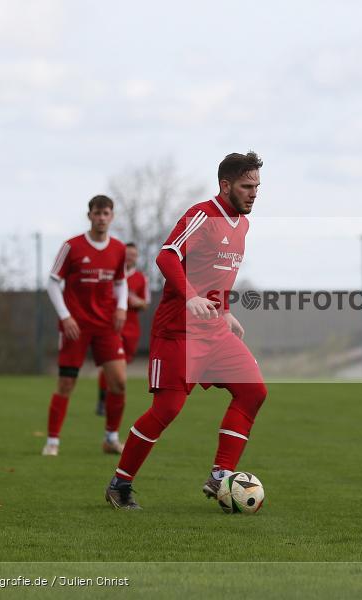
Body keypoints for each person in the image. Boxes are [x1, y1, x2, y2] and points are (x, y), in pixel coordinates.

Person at [105, 152, 267, 510]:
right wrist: (191, 296)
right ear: (225, 185)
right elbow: (166, 256)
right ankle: (120, 484)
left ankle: (221, 475)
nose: (254, 193)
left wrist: (225, 311)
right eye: (246, 186)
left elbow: (217, 273)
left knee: (253, 391)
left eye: (257, 186)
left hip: (214, 331)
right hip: (178, 331)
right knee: (167, 409)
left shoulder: (242, 225)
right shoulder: (202, 216)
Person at [42, 195, 128, 457]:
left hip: (106, 326)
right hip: (76, 327)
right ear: (89, 216)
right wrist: (65, 316)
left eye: (106, 213)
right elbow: (52, 282)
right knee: (66, 384)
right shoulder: (72, 246)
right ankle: (52, 441)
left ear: (112, 216)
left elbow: (120, 282)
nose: (101, 218)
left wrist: (122, 307)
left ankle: (111, 439)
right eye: (97, 213)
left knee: (119, 382)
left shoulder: (119, 249)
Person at [96, 243, 150, 417]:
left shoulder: (141, 278)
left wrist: (137, 302)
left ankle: (113, 399)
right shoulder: (111, 274)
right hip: (112, 325)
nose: (130, 258)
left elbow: (145, 304)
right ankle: (103, 400)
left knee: (122, 364)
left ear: (137, 257)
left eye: (133, 255)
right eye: (127, 254)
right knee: (110, 363)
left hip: (131, 328)